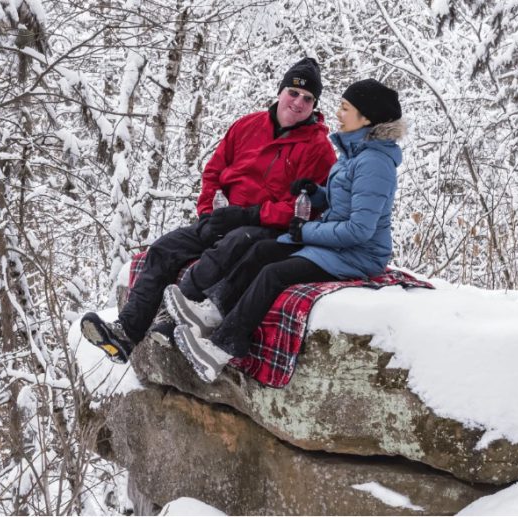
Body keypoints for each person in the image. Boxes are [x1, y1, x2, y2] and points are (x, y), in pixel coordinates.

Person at [81, 58, 337, 364]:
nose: (298, 103)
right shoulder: (247, 126)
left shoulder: (318, 148)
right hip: (224, 216)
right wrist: (207, 214)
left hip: (265, 227)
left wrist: (249, 215)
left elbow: (303, 208)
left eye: (308, 99)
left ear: (314, 105)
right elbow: (214, 172)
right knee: (165, 248)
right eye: (293, 93)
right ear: (281, 91)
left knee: (232, 245)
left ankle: (173, 319)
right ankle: (126, 332)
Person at [163, 78, 405, 382]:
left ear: (366, 118)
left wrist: (306, 232)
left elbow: (359, 230)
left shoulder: (374, 163)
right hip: (336, 244)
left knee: (274, 274)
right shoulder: (355, 154)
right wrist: (315, 192)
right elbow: (343, 200)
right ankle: (213, 312)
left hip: (358, 255)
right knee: (262, 250)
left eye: (345, 108)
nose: (338, 113)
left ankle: (223, 348)